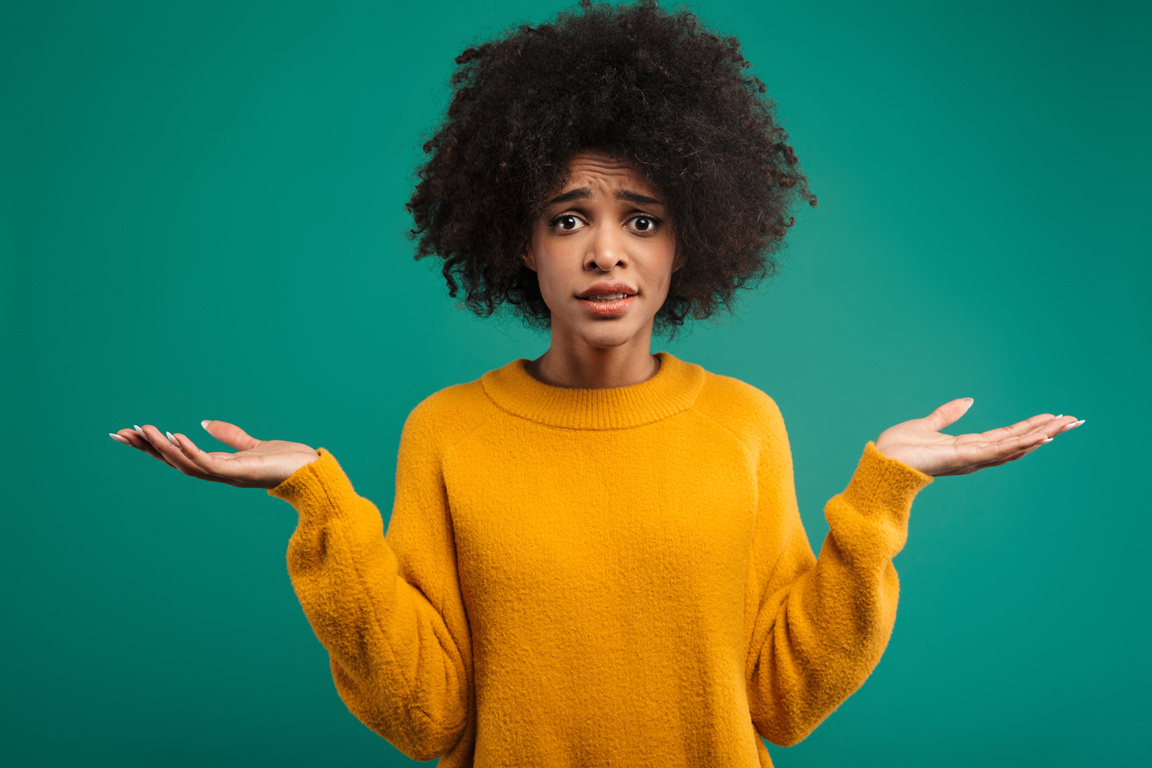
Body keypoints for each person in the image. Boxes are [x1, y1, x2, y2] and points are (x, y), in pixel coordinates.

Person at [109, 1, 1083, 765]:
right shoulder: (445, 431)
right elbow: (425, 717)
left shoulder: (746, 425)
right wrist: (320, 504)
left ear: (690, 237)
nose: (607, 253)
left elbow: (783, 703)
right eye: (569, 218)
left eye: (643, 219)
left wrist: (881, 499)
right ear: (519, 240)